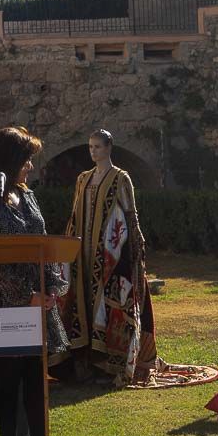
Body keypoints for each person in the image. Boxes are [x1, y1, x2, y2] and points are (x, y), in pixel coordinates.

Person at [0, 127, 70, 436]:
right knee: (8, 378)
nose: (30, 166)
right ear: (9, 159)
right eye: (26, 159)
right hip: (6, 305)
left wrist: (52, 285)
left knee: (36, 378)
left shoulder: (27, 195)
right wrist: (26, 295)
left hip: (38, 299)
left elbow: (43, 241)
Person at [59, 129, 158, 387]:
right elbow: (75, 213)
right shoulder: (83, 179)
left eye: (98, 147)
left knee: (110, 303)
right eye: (90, 147)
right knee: (84, 303)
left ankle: (112, 361)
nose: (93, 151)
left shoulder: (120, 178)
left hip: (111, 256)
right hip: (84, 253)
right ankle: (86, 359)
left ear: (109, 148)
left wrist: (136, 246)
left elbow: (130, 213)